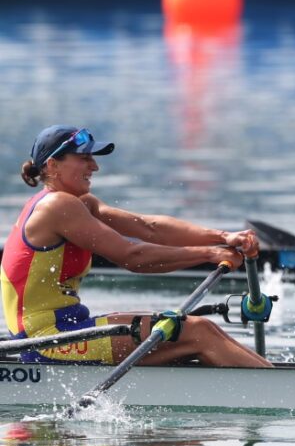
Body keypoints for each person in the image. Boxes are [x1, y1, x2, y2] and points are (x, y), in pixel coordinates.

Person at [0, 125, 272, 368]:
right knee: (198, 333)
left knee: (203, 331)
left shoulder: (81, 202)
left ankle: (270, 381)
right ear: (51, 165)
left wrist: (223, 237)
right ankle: (278, 392)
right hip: (46, 340)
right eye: (84, 158)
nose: (94, 167)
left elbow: (148, 228)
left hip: (70, 328)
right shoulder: (56, 206)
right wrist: (209, 254)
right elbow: (133, 256)